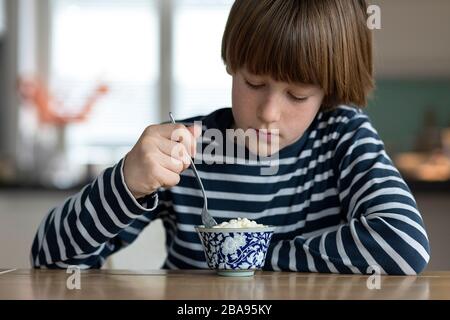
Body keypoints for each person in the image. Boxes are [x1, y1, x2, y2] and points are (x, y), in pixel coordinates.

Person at [31, 0, 430, 274]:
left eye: (297, 95)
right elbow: (50, 260)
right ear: (231, 63)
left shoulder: (342, 134)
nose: (269, 112)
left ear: (330, 92)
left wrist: (248, 252)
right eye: (254, 82)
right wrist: (124, 183)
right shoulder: (187, 147)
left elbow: (403, 244)